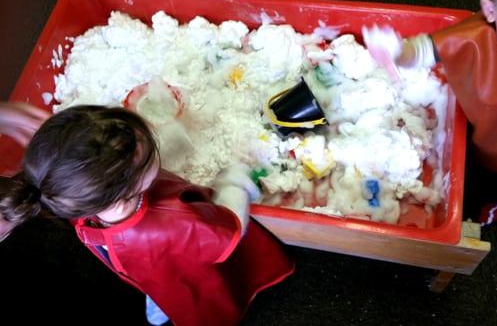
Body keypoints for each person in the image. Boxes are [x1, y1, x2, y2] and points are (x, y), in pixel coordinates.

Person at [0, 103, 294, 326]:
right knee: (189, 293)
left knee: (157, 278)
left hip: (135, 261)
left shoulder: (76, 200)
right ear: (130, 189)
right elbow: (230, 228)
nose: (154, 145)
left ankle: (160, 300)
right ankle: (167, 300)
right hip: (179, 262)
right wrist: (234, 182)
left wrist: (172, 137)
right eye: (150, 151)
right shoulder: (170, 223)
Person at [363, 0, 497, 226]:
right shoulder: (476, 39)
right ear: (490, 12)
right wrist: (396, 50)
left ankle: (485, 215)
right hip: (476, 134)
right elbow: (420, 52)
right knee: (470, 181)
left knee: (491, 194)